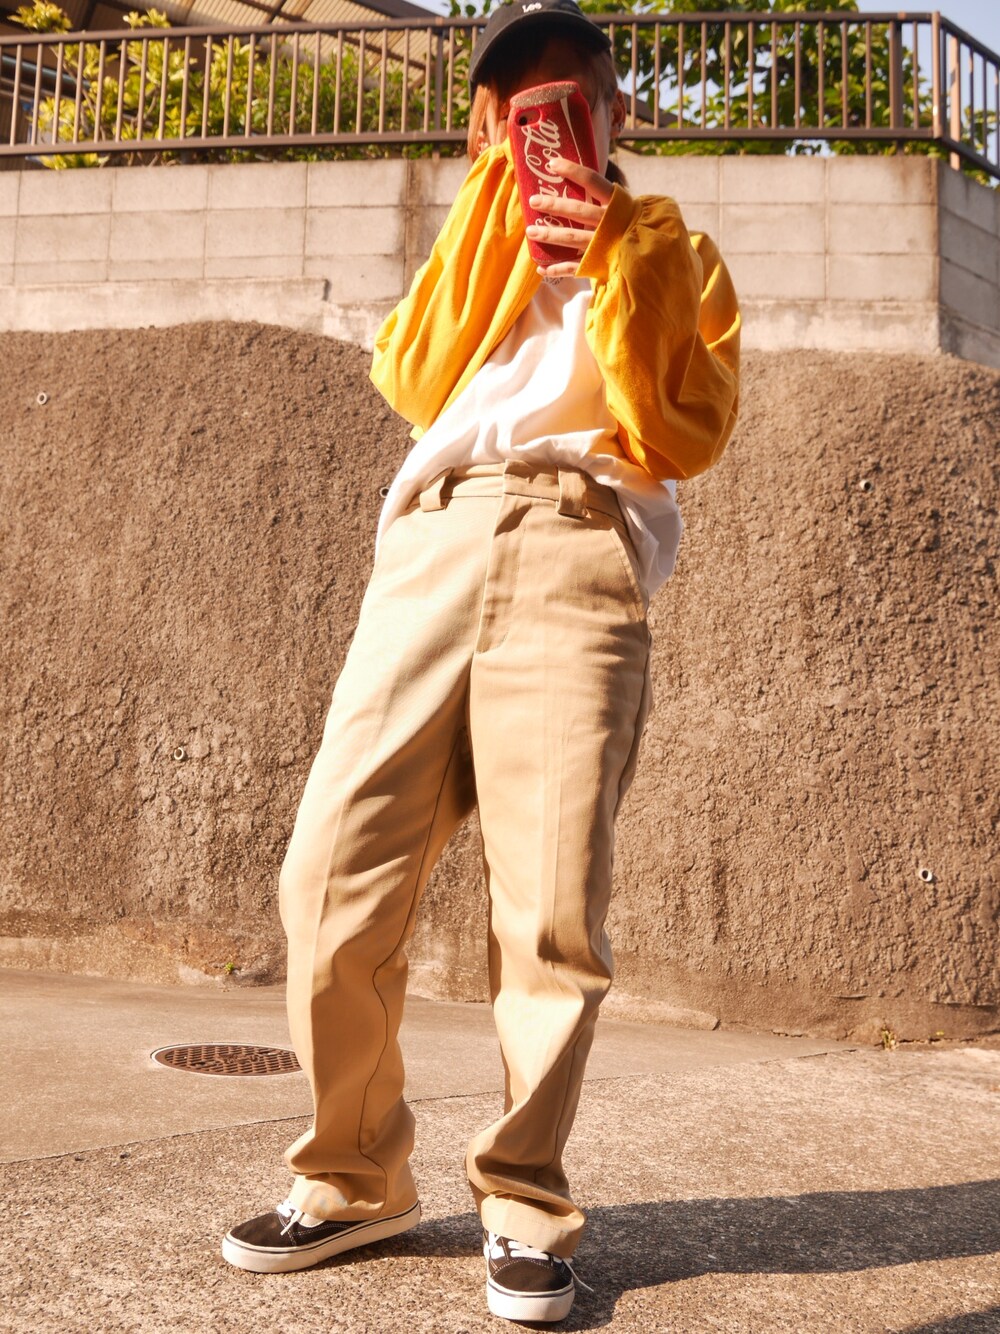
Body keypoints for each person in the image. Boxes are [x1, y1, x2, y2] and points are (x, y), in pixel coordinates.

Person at [221, 0, 740, 1323]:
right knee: (326, 874)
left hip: (579, 545)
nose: (545, 124)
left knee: (550, 911)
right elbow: (409, 375)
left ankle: (523, 1202)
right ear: (487, 126)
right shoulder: (474, 230)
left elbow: (685, 426)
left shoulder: (675, 249)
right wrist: (499, 225)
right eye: (517, 107)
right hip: (432, 544)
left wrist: (610, 251)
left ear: (617, 114)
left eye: (571, 99)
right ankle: (352, 1175)